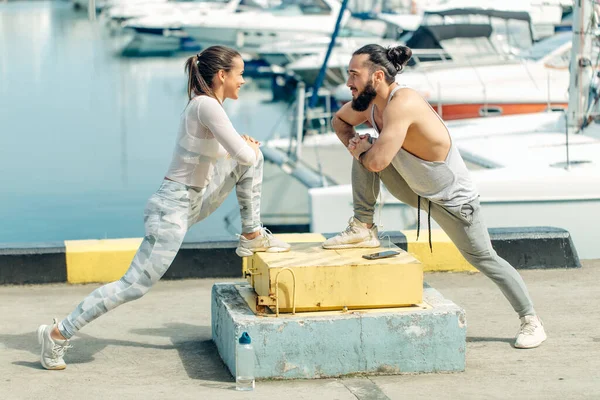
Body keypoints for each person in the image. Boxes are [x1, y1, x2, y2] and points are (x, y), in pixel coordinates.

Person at [37, 45, 290, 370]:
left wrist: (246, 151)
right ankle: (58, 334)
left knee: (254, 159)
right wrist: (248, 148)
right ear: (222, 75)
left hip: (193, 200)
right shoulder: (206, 106)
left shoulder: (208, 107)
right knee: (133, 285)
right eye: (240, 73)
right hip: (172, 207)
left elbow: (233, 159)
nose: (244, 80)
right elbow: (243, 154)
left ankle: (252, 233)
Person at [323, 44, 546, 349]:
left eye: (353, 75)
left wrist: (361, 149)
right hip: (415, 190)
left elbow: (374, 163)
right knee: (365, 142)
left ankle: (531, 319)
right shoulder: (370, 102)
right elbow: (339, 122)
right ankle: (363, 227)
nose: (348, 82)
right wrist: (355, 143)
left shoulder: (403, 103)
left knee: (484, 259)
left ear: (376, 76)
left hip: (453, 201)